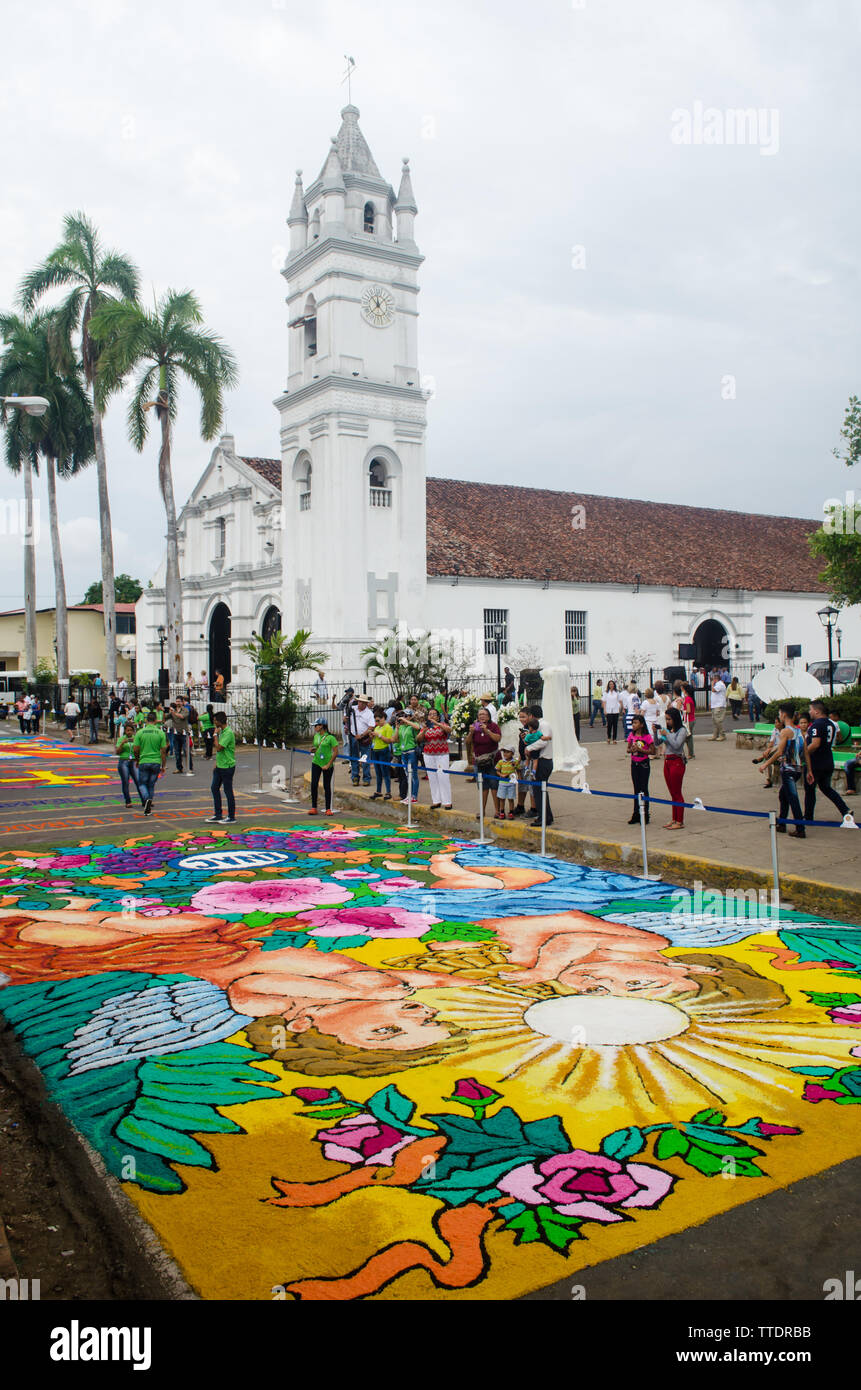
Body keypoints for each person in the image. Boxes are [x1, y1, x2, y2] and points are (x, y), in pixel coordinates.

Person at [757, 703, 806, 837]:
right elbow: (805, 751)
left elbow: (779, 752)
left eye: (779, 714)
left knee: (792, 798)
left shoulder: (785, 731)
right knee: (783, 795)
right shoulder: (798, 731)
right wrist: (810, 770)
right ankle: (782, 823)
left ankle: (800, 828)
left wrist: (765, 764)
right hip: (797, 769)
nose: (779, 716)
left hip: (788, 769)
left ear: (784, 715)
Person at [803, 698, 851, 825]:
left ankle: (808, 818)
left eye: (811, 710)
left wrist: (803, 754)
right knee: (826, 788)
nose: (810, 712)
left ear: (817, 711)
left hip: (816, 763)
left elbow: (815, 744)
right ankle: (844, 809)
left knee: (810, 790)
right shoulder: (831, 724)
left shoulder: (817, 725)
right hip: (827, 761)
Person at [657, 705, 687, 829]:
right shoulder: (670, 730)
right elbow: (657, 743)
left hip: (676, 761)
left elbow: (676, 745)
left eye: (669, 719)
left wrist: (667, 734)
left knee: (677, 792)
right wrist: (656, 732)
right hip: (667, 761)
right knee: (672, 792)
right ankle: (674, 818)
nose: (668, 722)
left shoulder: (682, 731)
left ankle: (679, 821)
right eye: (667, 719)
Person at [523, 704, 553, 829]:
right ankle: (546, 816)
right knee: (540, 790)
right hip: (540, 760)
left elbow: (543, 741)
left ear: (532, 716)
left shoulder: (543, 725)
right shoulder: (538, 726)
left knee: (539, 790)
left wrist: (529, 748)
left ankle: (543, 817)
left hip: (543, 761)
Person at [133, 711, 167, 816]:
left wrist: (137, 760)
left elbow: (136, 748)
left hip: (144, 760)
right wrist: (163, 765)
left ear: (146, 720)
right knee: (151, 784)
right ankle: (149, 801)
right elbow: (163, 751)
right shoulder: (160, 733)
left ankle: (146, 799)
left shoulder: (140, 732)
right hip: (156, 761)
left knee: (142, 783)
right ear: (156, 720)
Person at [472, 705, 502, 819]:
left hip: (493, 760)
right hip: (480, 761)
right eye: (480, 715)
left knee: (494, 785)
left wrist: (487, 730)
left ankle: (497, 810)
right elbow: (469, 742)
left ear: (489, 716)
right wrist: (471, 732)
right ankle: (482, 810)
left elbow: (497, 738)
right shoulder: (475, 727)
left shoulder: (493, 726)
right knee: (483, 787)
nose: (482, 716)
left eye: (484, 714)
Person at [207, 711, 236, 823]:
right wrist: (216, 763)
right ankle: (218, 814)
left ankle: (231, 816)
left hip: (227, 766)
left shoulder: (228, 732)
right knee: (214, 788)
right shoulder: (222, 731)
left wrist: (215, 735)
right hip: (220, 765)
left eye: (215, 720)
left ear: (219, 721)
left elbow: (219, 748)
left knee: (228, 791)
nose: (214, 722)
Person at [626, 712, 654, 824]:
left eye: (636, 723)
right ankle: (636, 813)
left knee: (644, 789)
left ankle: (645, 814)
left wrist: (641, 750)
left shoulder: (647, 737)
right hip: (634, 764)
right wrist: (631, 750)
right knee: (636, 789)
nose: (633, 725)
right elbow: (627, 749)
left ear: (641, 724)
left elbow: (652, 751)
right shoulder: (631, 735)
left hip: (644, 764)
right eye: (633, 723)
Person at [308, 717, 338, 815]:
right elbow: (316, 746)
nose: (315, 728)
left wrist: (328, 764)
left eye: (316, 726)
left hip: (327, 764)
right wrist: (313, 749)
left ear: (322, 726)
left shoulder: (331, 738)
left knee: (326, 785)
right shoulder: (316, 736)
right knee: (314, 784)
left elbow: (335, 752)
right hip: (316, 762)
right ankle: (314, 807)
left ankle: (328, 808)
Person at [393, 709, 420, 804]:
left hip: (411, 752)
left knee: (413, 775)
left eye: (406, 716)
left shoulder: (411, 725)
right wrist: (397, 728)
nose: (403, 718)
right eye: (402, 716)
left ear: (409, 717)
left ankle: (414, 796)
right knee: (407, 775)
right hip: (403, 753)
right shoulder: (401, 727)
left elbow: (418, 727)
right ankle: (409, 795)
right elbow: (395, 739)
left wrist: (407, 721)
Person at [346, 693, 374, 786]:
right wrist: (347, 726)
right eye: (359, 702)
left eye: (363, 702)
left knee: (365, 758)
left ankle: (366, 778)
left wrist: (361, 735)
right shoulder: (352, 709)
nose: (360, 704)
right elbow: (346, 719)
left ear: (366, 703)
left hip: (364, 738)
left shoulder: (369, 713)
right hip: (353, 736)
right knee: (354, 757)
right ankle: (355, 777)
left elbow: (371, 727)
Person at [369, 706, 395, 801]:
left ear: (383, 718)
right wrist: (372, 735)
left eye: (378, 720)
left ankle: (388, 791)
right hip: (375, 750)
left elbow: (389, 740)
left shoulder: (388, 727)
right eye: (376, 721)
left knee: (385, 772)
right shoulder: (377, 727)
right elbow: (374, 740)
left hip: (383, 751)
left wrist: (379, 735)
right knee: (378, 772)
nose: (377, 722)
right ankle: (378, 791)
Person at [752, 716, 782, 788]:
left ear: (781, 723)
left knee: (778, 746)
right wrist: (767, 750)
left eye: (776, 722)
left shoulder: (786, 731)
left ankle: (761, 758)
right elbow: (771, 743)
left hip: (782, 751)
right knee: (767, 757)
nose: (775, 724)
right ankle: (768, 779)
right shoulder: (775, 730)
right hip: (774, 751)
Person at [115, 723, 141, 808]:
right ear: (125, 731)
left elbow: (140, 750)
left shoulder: (136, 739)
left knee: (138, 781)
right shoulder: (121, 739)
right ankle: (128, 801)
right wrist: (122, 743)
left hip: (133, 761)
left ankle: (144, 799)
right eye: (127, 730)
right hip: (124, 761)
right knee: (125, 781)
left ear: (133, 731)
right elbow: (117, 752)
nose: (129, 732)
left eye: (130, 730)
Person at [494, 745, 520, 820]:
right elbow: (497, 771)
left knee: (510, 799)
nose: (505, 754)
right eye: (504, 752)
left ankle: (511, 812)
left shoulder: (515, 762)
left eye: (507, 752)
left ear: (512, 753)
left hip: (511, 784)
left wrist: (520, 779)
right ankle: (502, 812)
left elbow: (518, 770)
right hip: (502, 783)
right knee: (502, 798)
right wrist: (501, 775)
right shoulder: (501, 762)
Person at [172, 699, 191, 774]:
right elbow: (167, 717)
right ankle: (179, 768)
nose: (177, 703)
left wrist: (174, 712)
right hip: (176, 732)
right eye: (176, 701)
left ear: (182, 702)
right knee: (177, 752)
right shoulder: (173, 710)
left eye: (179, 701)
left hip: (184, 733)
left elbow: (182, 717)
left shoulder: (185, 710)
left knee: (186, 750)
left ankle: (189, 767)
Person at [708, 674, 728, 741]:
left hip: (719, 705)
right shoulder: (717, 684)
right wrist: (711, 703)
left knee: (718, 720)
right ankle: (715, 735)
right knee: (715, 721)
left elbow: (714, 690)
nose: (712, 680)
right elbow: (713, 694)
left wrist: (712, 684)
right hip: (715, 705)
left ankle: (722, 735)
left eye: (713, 679)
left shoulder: (720, 684)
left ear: (716, 679)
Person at [602, 680, 622, 744]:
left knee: (615, 725)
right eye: (610, 684)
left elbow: (620, 700)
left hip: (615, 710)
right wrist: (604, 709)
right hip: (609, 710)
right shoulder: (606, 693)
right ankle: (608, 737)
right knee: (609, 724)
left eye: (612, 684)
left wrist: (619, 707)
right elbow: (604, 701)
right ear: (608, 685)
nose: (611, 685)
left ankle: (614, 739)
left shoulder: (616, 692)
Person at [681, 681, 697, 759]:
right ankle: (691, 753)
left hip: (689, 720)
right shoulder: (690, 698)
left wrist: (682, 710)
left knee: (687, 737)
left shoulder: (687, 699)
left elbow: (688, 710)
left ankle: (690, 753)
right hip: (691, 719)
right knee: (688, 737)